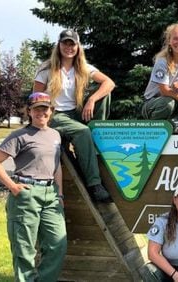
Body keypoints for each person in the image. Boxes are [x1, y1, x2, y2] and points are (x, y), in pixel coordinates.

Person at [0, 92, 67, 281]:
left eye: (45, 108)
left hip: (51, 195)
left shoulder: (55, 135)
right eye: (37, 109)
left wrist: (60, 195)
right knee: (24, 249)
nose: (41, 112)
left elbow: (56, 167)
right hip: (26, 195)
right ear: (29, 112)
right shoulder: (20, 135)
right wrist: (13, 187)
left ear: (51, 111)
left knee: (58, 244)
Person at [33, 29, 115, 203]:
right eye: (65, 43)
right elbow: (35, 99)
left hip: (74, 113)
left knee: (104, 94)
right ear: (59, 45)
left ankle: (97, 139)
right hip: (54, 115)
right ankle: (95, 185)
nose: (69, 47)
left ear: (78, 47)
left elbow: (109, 83)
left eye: (72, 44)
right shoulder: (47, 69)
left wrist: (92, 99)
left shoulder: (82, 67)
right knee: (83, 132)